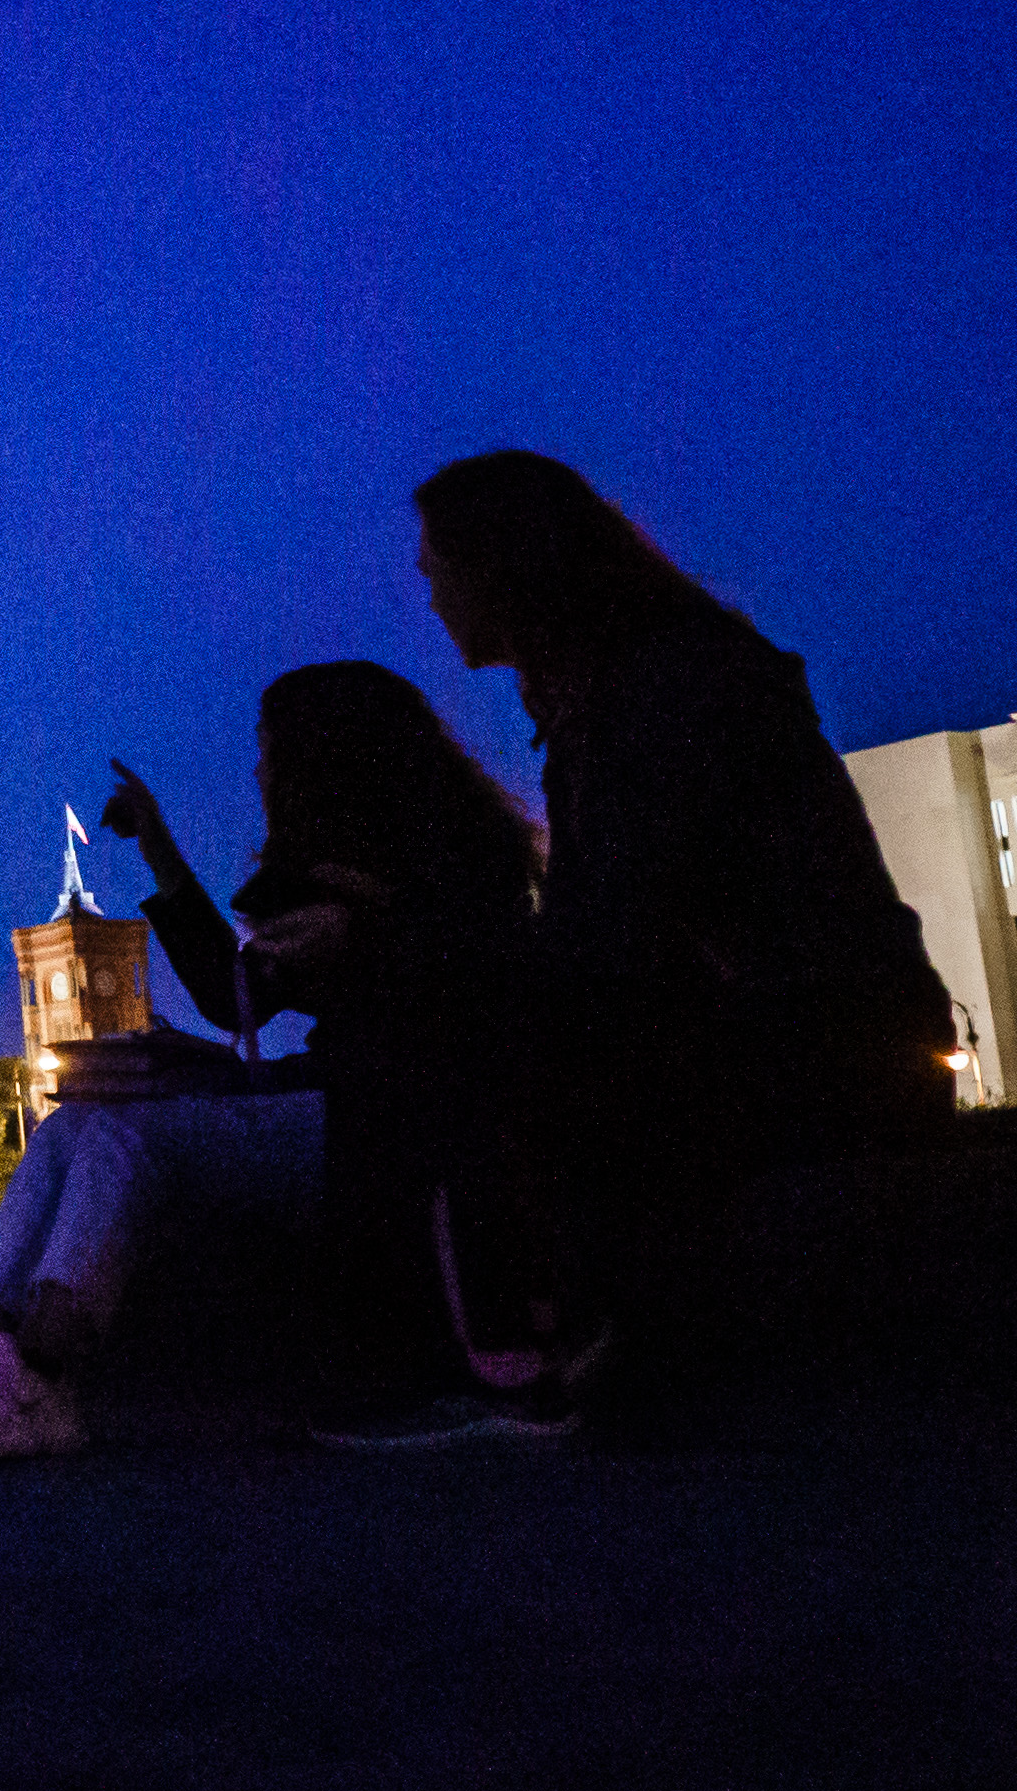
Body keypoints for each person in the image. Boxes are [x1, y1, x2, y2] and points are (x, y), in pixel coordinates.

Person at [0, 661, 543, 1456]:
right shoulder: (336, 867)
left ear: (324, 756)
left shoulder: (459, 862)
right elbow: (234, 996)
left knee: (124, 1134)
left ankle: (40, 1373)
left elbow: (486, 990)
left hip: (393, 1130)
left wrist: (365, 935)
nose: (256, 771)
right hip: (336, 1112)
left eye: (267, 750)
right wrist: (160, 849)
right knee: (73, 1123)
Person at [401, 450, 952, 1422]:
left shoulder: (661, 691)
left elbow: (618, 924)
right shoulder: (624, 685)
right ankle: (549, 1347)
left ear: (504, 562)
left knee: (480, 1041)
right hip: (811, 1016)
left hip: (823, 1036)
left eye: (438, 561)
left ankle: (544, 1354)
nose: (427, 589)